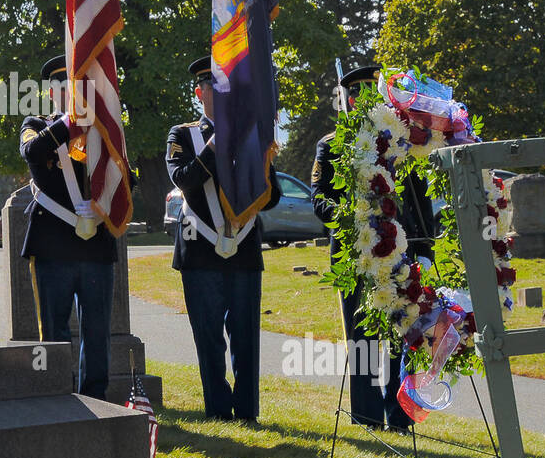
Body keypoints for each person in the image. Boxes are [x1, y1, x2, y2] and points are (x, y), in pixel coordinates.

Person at [310, 64, 437, 429]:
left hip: (401, 248)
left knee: (405, 332)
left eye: (371, 95)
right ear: (348, 101)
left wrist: (426, 248)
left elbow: (418, 200)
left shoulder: (401, 140)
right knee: (362, 338)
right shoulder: (331, 144)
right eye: (357, 96)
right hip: (355, 254)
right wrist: (350, 218)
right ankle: (366, 417)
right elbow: (320, 198)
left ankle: (400, 416)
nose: (364, 103)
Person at [166, 57, 282, 421]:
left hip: (244, 247)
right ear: (200, 93)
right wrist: (216, 146)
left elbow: (273, 194)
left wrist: (256, 158)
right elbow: (183, 179)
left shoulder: (250, 132)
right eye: (213, 88)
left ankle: (247, 411)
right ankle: (217, 410)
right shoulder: (182, 134)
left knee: (246, 337)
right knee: (209, 338)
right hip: (199, 249)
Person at [18, 54, 117, 400]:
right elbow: (32, 152)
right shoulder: (35, 123)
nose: (68, 91)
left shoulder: (103, 126)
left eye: (75, 85)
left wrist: (104, 201)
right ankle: (56, 395)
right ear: (49, 93)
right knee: (54, 332)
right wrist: (68, 121)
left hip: (96, 245)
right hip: (53, 245)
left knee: (97, 330)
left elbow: (125, 175)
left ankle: (97, 398)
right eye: (61, 86)